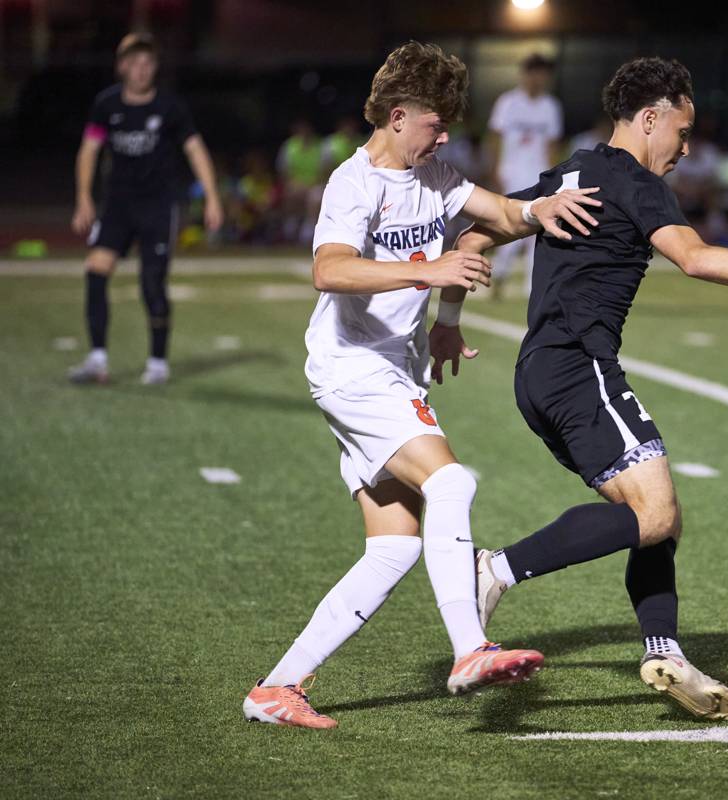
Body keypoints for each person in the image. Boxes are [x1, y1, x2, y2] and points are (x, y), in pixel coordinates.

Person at [445, 57, 728, 721]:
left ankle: (663, 651)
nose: (687, 146)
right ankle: (493, 571)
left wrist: (448, 320)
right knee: (657, 514)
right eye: (683, 129)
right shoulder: (633, 180)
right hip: (579, 368)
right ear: (650, 118)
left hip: (540, 373)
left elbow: (478, 232)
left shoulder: (570, 172)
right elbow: (695, 258)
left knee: (653, 517)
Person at [241, 41, 602, 729]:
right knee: (452, 483)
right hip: (354, 368)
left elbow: (497, 212)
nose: (443, 138)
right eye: (435, 125)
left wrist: (542, 210)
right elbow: (330, 271)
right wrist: (429, 274)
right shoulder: (356, 182)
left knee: (395, 546)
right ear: (399, 115)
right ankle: (469, 648)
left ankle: (276, 689)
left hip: (388, 370)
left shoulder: (434, 174)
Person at [68, 32, 223, 386]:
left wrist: (212, 195)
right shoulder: (106, 105)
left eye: (148, 62)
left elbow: (195, 149)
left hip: (157, 206)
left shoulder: (170, 107)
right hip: (118, 206)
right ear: (122, 66)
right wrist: (83, 197)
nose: (141, 70)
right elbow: (88, 150)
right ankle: (97, 359)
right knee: (95, 272)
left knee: (151, 283)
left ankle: (157, 363)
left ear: (155, 67)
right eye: (134, 62)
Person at [486, 53, 563, 299]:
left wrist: (554, 178)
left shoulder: (550, 106)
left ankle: (533, 288)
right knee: (511, 230)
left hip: (538, 176)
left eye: (545, 75)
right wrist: (495, 171)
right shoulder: (508, 103)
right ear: (526, 74)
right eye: (537, 73)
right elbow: (495, 138)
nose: (540, 79)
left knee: (539, 232)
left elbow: (552, 144)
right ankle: (499, 274)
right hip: (511, 175)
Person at [277, 118, 324, 243]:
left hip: (316, 185)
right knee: (290, 192)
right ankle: (291, 225)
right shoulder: (289, 147)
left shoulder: (320, 147)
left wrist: (309, 186)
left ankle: (308, 229)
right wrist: (295, 184)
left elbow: (325, 172)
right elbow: (284, 172)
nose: (304, 132)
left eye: (306, 129)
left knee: (316, 196)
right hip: (295, 185)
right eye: (301, 129)